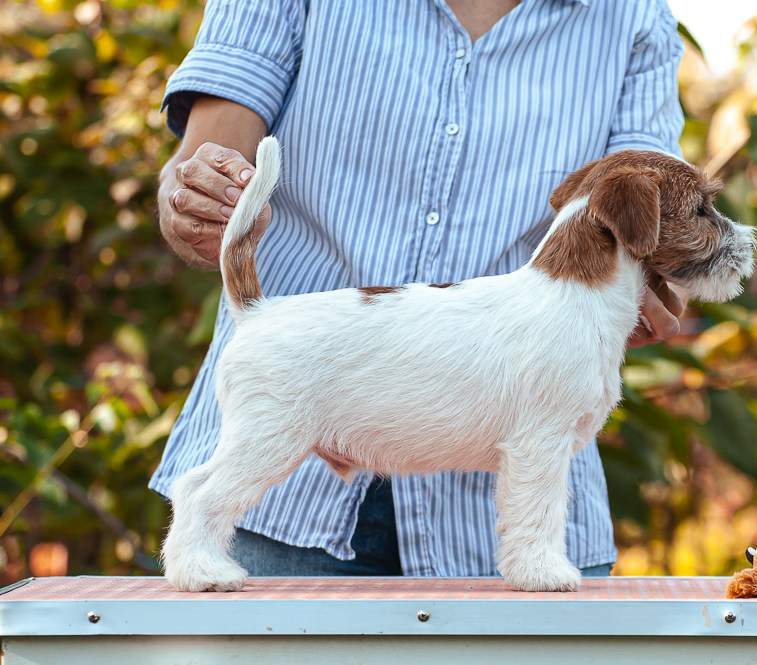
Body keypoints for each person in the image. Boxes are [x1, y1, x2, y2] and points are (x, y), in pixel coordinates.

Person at [154, 0, 686, 579]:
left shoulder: (635, 17)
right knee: (252, 464)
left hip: (513, 509)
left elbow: (658, 206)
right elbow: (204, 163)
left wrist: (653, 282)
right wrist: (204, 198)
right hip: (288, 500)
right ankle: (197, 535)